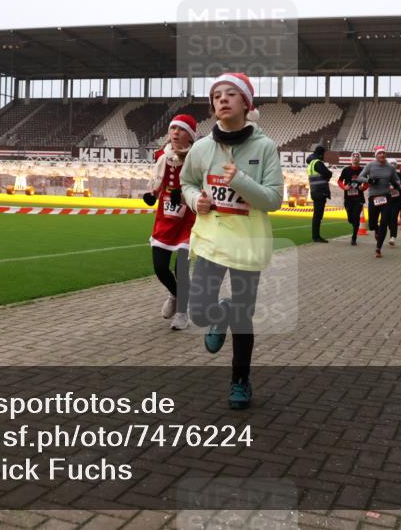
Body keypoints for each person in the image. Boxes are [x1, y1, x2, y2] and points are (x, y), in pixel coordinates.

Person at [181, 73, 283, 409]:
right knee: (197, 313)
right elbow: (188, 183)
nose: (222, 99)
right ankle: (218, 313)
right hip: (211, 239)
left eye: (230, 94)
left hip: (247, 243)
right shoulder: (201, 148)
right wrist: (196, 200)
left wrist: (238, 180)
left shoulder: (265, 147)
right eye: (216, 96)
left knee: (242, 315)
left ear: (246, 103)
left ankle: (240, 381)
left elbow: (272, 200)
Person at [142, 114, 198, 330]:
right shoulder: (162, 157)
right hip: (165, 218)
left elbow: (203, 187)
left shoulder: (197, 159)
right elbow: (158, 183)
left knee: (181, 268)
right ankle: (176, 295)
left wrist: (184, 196)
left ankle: (183, 312)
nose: (175, 132)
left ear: (190, 136)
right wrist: (152, 195)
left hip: (188, 220)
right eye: (173, 128)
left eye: (181, 129)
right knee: (160, 267)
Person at [356, 146, 401, 258]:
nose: (382, 155)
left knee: (384, 222)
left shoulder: (390, 168)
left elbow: (397, 179)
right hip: (373, 197)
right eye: (379, 153)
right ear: (376, 155)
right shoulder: (370, 165)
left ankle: (378, 248)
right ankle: (375, 230)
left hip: (386, 197)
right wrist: (369, 180)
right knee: (372, 224)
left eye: (383, 153)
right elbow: (359, 177)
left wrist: (396, 184)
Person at [337, 152, 368, 245]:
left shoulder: (363, 170)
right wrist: (344, 187)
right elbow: (339, 181)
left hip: (359, 199)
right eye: (353, 156)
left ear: (359, 159)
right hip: (348, 199)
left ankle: (354, 237)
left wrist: (363, 188)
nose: (355, 158)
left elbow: (367, 182)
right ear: (351, 159)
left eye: (357, 157)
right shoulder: (346, 170)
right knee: (351, 219)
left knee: (356, 217)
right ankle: (355, 226)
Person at [306, 145, 332, 243]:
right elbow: (328, 174)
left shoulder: (311, 163)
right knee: (318, 216)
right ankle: (316, 236)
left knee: (316, 215)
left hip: (314, 191)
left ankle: (315, 236)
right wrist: (328, 175)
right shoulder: (318, 163)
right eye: (323, 154)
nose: (324, 156)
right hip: (320, 192)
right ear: (321, 154)